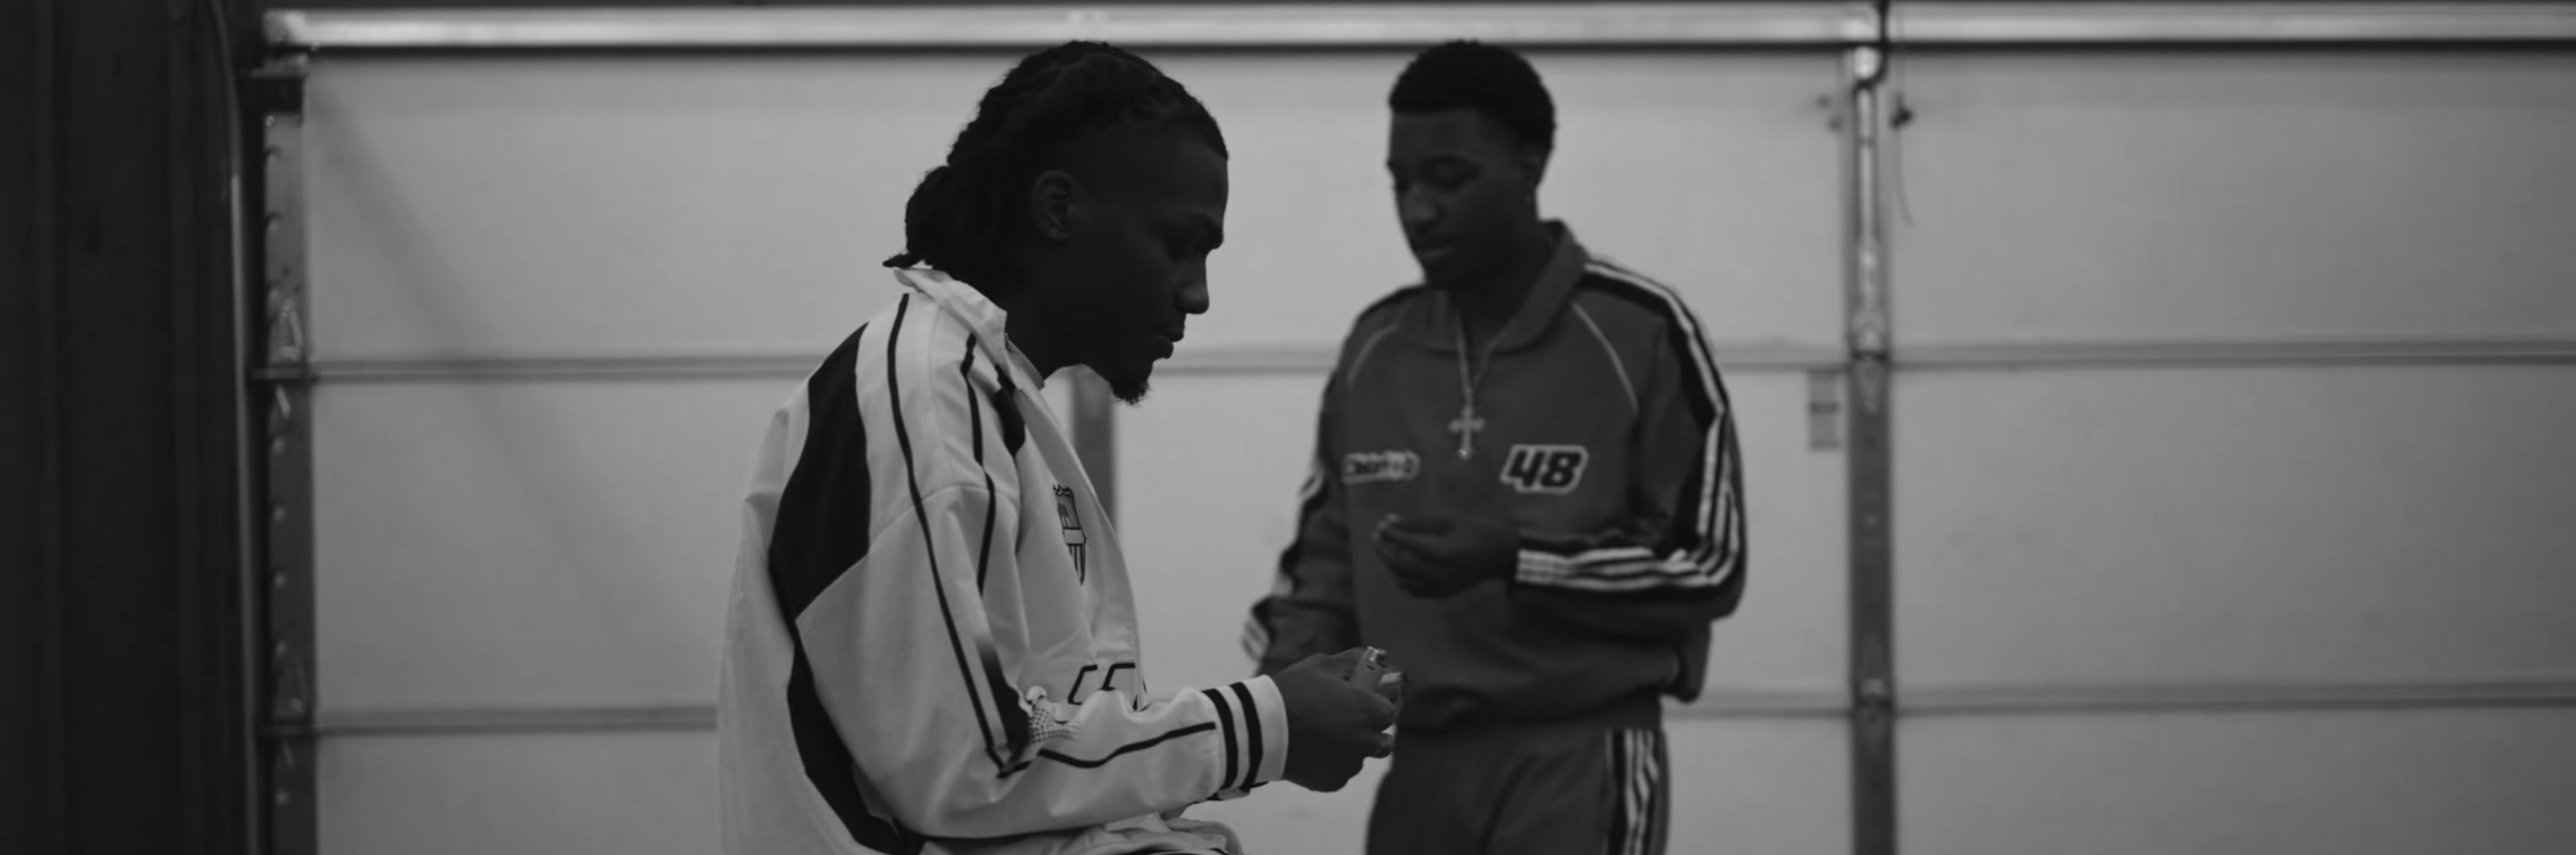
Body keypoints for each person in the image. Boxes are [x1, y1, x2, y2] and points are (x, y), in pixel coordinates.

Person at [719, 42, 1398, 855]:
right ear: (1058, 209)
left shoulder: (993, 396)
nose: (1198, 294)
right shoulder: (927, 393)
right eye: (1180, 244)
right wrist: (1261, 727)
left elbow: (1032, 726)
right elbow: (972, 766)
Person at [1241, 40, 1748, 855]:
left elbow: (1706, 562)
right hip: (1421, 769)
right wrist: (1274, 704)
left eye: (1448, 179)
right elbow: (1323, 567)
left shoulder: (1639, 331)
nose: (1418, 211)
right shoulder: (1376, 346)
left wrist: (1516, 560)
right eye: (1400, 183)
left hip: (1579, 756)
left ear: (1529, 166)